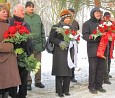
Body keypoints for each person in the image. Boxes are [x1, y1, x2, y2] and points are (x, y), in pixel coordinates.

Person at [8, 4, 32, 98]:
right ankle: (13, 95)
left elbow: (30, 39)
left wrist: (30, 52)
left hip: (25, 55)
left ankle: (23, 95)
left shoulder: (26, 24)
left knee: (24, 77)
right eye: (21, 10)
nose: (23, 12)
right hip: (13, 55)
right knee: (14, 77)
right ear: (15, 12)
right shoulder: (10, 22)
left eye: (23, 10)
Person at [82, 7, 107, 94]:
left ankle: (99, 85)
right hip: (93, 50)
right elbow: (85, 36)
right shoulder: (87, 24)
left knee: (101, 69)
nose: (98, 14)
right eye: (96, 13)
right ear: (92, 14)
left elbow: (109, 33)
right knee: (93, 69)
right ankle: (91, 86)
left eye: (99, 13)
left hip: (103, 49)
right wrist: (94, 36)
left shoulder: (104, 23)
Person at [49, 9, 73, 97]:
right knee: (60, 71)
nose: (68, 20)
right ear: (63, 18)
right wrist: (60, 42)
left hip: (69, 51)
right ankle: (59, 91)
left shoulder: (71, 27)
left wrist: (75, 41)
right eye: (67, 18)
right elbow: (51, 38)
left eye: (69, 18)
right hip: (59, 52)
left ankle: (66, 90)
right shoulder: (55, 27)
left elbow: (73, 37)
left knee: (68, 70)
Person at [0, 3, 21, 98]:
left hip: (10, 60)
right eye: (3, 12)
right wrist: (10, 46)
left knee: (8, 87)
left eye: (6, 12)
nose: (6, 13)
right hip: (2, 61)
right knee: (2, 86)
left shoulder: (8, 24)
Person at [24, 1, 46, 90]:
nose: (31, 8)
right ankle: (28, 82)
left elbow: (42, 30)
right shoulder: (24, 17)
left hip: (38, 45)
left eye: (32, 7)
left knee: (38, 64)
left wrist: (44, 41)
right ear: (26, 8)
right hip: (28, 45)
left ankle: (38, 81)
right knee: (28, 64)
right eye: (29, 7)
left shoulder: (38, 17)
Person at [68, 8, 79, 83]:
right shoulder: (64, 21)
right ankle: (67, 76)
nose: (72, 14)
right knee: (67, 59)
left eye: (73, 13)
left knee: (73, 59)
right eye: (70, 13)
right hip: (67, 44)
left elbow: (77, 31)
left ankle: (72, 75)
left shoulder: (76, 22)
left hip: (74, 43)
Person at [102, 12, 112, 84]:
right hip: (102, 44)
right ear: (104, 17)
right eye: (106, 16)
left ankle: (107, 73)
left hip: (111, 43)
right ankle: (103, 76)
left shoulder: (112, 23)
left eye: (109, 16)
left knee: (108, 59)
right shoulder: (101, 23)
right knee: (103, 60)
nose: (107, 18)